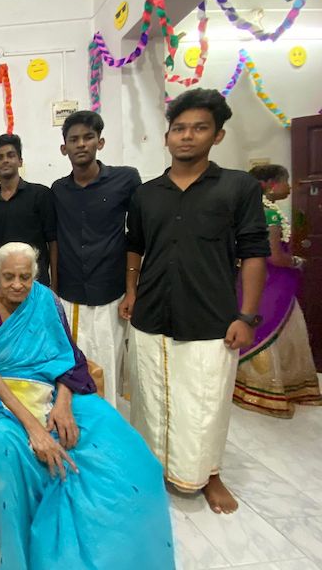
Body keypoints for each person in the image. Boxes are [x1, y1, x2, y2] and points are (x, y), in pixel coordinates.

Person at [0, 242, 174, 570]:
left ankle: (112, 537)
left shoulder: (46, 300)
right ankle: (23, 551)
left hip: (53, 388)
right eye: (8, 277)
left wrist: (62, 405)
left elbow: (68, 356)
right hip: (1, 395)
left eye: (25, 277)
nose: (17, 284)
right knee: (2, 447)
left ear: (35, 275)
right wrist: (34, 428)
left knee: (119, 441)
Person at [121, 88, 269, 514]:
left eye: (199, 128)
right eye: (179, 128)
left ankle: (209, 474)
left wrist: (247, 316)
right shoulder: (147, 193)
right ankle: (151, 469)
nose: (187, 136)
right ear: (167, 136)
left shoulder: (238, 187)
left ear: (217, 135)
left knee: (205, 402)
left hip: (210, 315)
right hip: (151, 312)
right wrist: (131, 291)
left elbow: (254, 253)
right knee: (150, 400)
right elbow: (135, 246)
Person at [52, 111, 141, 407]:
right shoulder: (58, 190)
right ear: (64, 148)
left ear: (100, 142)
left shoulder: (125, 179)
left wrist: (132, 290)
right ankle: (76, 424)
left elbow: (137, 237)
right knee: (71, 367)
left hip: (110, 295)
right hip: (70, 297)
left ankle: (107, 425)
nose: (81, 144)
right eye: (73, 139)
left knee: (108, 366)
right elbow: (54, 242)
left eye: (88, 137)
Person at [233, 164, 321, 417]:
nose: (289, 187)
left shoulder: (248, 209)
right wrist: (297, 261)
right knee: (272, 327)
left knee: (255, 324)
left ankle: (245, 386)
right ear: (271, 185)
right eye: (285, 181)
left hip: (253, 279)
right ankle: (267, 390)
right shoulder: (269, 214)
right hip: (271, 282)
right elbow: (273, 256)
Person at [0, 134, 57, 287]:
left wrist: (55, 284)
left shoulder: (40, 195)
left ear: (20, 161)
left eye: (10, 155)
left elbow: (53, 242)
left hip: (36, 284)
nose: (5, 160)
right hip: (4, 285)